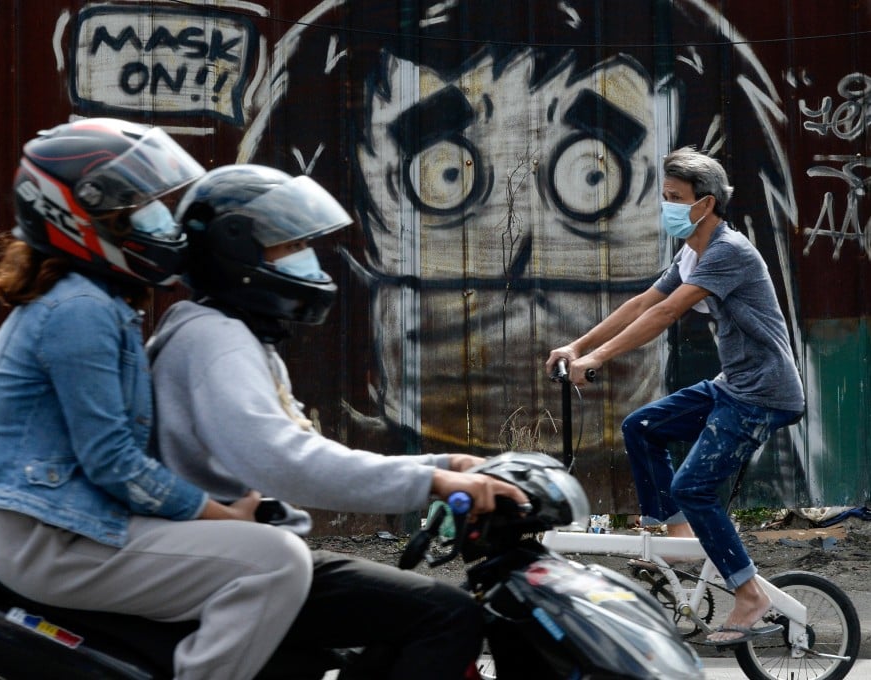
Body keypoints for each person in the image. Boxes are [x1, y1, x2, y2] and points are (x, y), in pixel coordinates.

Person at [0, 119, 313, 680]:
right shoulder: (80, 311)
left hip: (66, 525)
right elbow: (113, 461)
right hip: (48, 541)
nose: (156, 217)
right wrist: (225, 516)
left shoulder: (94, 300)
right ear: (79, 218)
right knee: (273, 563)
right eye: (136, 206)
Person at [147, 164, 530, 679]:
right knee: (445, 614)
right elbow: (284, 461)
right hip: (237, 559)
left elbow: (304, 452)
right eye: (287, 245)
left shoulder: (227, 334)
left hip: (249, 550)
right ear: (235, 250)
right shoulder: (216, 341)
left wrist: (443, 462)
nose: (304, 257)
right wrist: (432, 480)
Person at [545, 146, 805, 646]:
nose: (666, 207)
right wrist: (578, 345)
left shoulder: (729, 251)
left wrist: (598, 360)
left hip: (764, 394)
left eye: (674, 198)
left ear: (705, 205)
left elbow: (666, 315)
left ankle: (749, 594)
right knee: (641, 427)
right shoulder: (693, 250)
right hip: (733, 385)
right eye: (664, 197)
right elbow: (646, 300)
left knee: (694, 487)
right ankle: (679, 542)